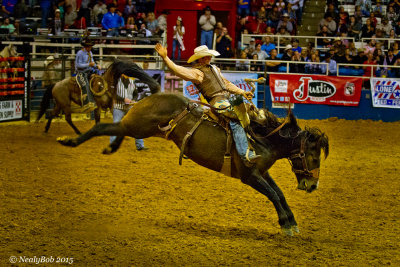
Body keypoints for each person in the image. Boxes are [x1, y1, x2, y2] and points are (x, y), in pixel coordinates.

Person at [155, 43, 261, 166]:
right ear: (200, 58)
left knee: (251, 112)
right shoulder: (197, 72)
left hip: (228, 99)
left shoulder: (214, 69)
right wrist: (165, 58)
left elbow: (226, 84)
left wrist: (242, 92)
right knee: (236, 118)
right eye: (206, 56)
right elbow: (179, 71)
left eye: (209, 56)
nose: (209, 58)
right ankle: (245, 154)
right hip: (218, 102)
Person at [110, 75, 149, 151]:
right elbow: (113, 94)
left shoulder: (132, 82)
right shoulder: (116, 82)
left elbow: (135, 93)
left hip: (129, 108)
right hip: (118, 107)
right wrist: (123, 99)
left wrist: (133, 99)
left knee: (137, 125)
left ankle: (140, 145)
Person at [75, 39, 100, 110]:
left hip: (89, 71)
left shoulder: (90, 53)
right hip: (81, 72)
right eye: (88, 47)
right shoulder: (80, 53)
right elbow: (78, 65)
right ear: (85, 47)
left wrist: (96, 65)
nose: (89, 48)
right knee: (85, 84)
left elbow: (92, 62)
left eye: (90, 47)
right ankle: (87, 102)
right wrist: (88, 64)